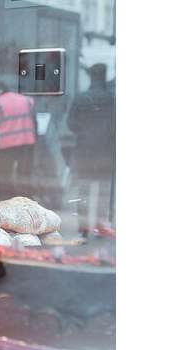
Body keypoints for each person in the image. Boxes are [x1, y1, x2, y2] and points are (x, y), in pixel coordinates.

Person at [67, 64, 115, 232]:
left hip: (85, 150)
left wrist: (84, 132)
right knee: (103, 191)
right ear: (104, 76)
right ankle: (101, 226)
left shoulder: (81, 98)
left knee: (84, 189)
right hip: (106, 151)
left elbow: (71, 124)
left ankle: (84, 227)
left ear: (91, 77)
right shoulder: (112, 99)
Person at [0, 81, 37, 197]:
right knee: (25, 171)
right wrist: (35, 139)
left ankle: (6, 196)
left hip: (6, 143)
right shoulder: (27, 100)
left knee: (4, 171)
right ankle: (26, 196)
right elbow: (35, 121)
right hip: (27, 141)